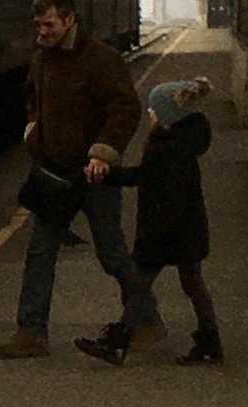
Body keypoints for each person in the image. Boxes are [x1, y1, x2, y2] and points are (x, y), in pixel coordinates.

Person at [0, 0, 162, 360]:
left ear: (69, 20)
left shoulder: (101, 59)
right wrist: (34, 130)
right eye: (38, 25)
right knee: (40, 252)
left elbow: (125, 108)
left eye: (49, 24)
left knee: (112, 254)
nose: (42, 32)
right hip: (54, 174)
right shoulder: (42, 58)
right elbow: (32, 97)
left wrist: (103, 152)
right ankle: (31, 332)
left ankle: (147, 319)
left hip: (95, 176)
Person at [76, 78, 222, 366]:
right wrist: (110, 177)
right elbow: (147, 177)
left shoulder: (168, 148)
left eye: (153, 108)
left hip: (166, 233)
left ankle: (119, 343)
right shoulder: (178, 142)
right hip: (186, 230)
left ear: (167, 114)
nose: (150, 112)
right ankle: (209, 341)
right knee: (191, 284)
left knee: (140, 286)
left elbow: (164, 193)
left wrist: (152, 234)